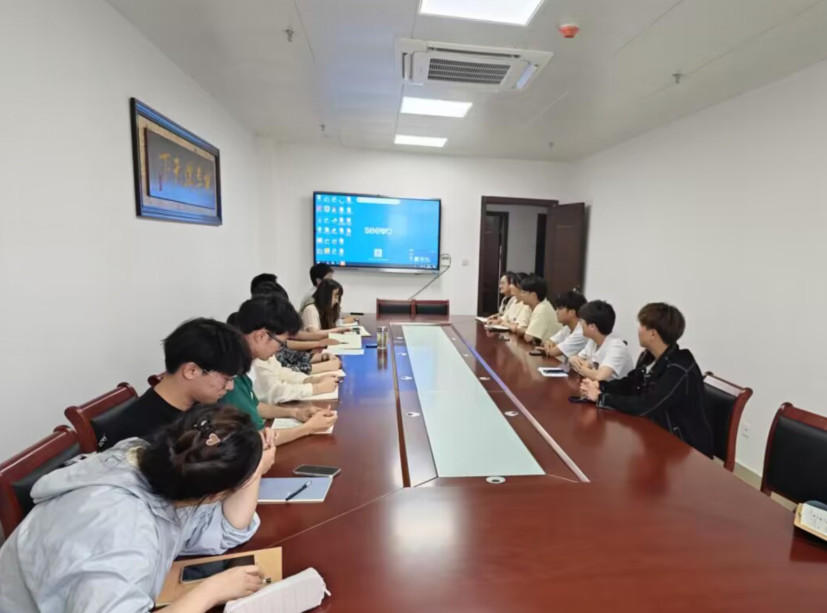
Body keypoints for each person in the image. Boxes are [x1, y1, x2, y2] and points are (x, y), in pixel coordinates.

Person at [0, 405, 274, 613]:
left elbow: (224, 529)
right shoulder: (123, 530)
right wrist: (211, 591)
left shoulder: (152, 460)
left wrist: (253, 470)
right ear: (215, 495)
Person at [580, 303, 714, 456]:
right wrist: (601, 386)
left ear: (653, 334)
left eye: (642, 325)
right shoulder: (649, 356)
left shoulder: (679, 368)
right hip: (657, 433)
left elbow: (647, 404)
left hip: (686, 448)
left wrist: (601, 397)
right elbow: (631, 383)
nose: (638, 329)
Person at [97, 318, 252, 451]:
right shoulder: (138, 437)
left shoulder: (200, 407)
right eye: (226, 379)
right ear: (191, 371)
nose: (230, 387)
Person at [225, 296, 338, 438]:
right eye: (281, 343)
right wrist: (308, 428)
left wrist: (295, 412)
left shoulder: (244, 361)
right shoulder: (230, 373)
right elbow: (258, 440)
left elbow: (255, 405)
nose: (280, 349)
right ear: (261, 336)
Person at [249, 275, 343, 374]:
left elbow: (290, 355)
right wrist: (324, 365)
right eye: (335, 296)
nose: (336, 301)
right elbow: (285, 371)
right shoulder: (261, 345)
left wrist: (323, 357)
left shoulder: (271, 333)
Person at [569, 300, 634, 381]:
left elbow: (599, 376)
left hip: (616, 389)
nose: (580, 324)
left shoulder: (617, 347)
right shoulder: (593, 341)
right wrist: (572, 359)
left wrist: (581, 368)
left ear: (592, 327)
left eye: (582, 321)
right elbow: (576, 360)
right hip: (595, 387)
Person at [511, 274, 561, 343]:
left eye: (523, 292)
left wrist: (527, 331)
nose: (520, 295)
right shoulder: (529, 306)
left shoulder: (542, 308)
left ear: (533, 295)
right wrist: (528, 330)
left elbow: (528, 337)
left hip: (551, 348)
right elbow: (519, 329)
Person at [543, 290, 588, 359]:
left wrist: (550, 349)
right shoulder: (567, 328)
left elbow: (553, 352)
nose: (556, 312)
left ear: (572, 312)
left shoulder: (581, 332)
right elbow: (549, 341)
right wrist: (548, 344)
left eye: (560, 309)